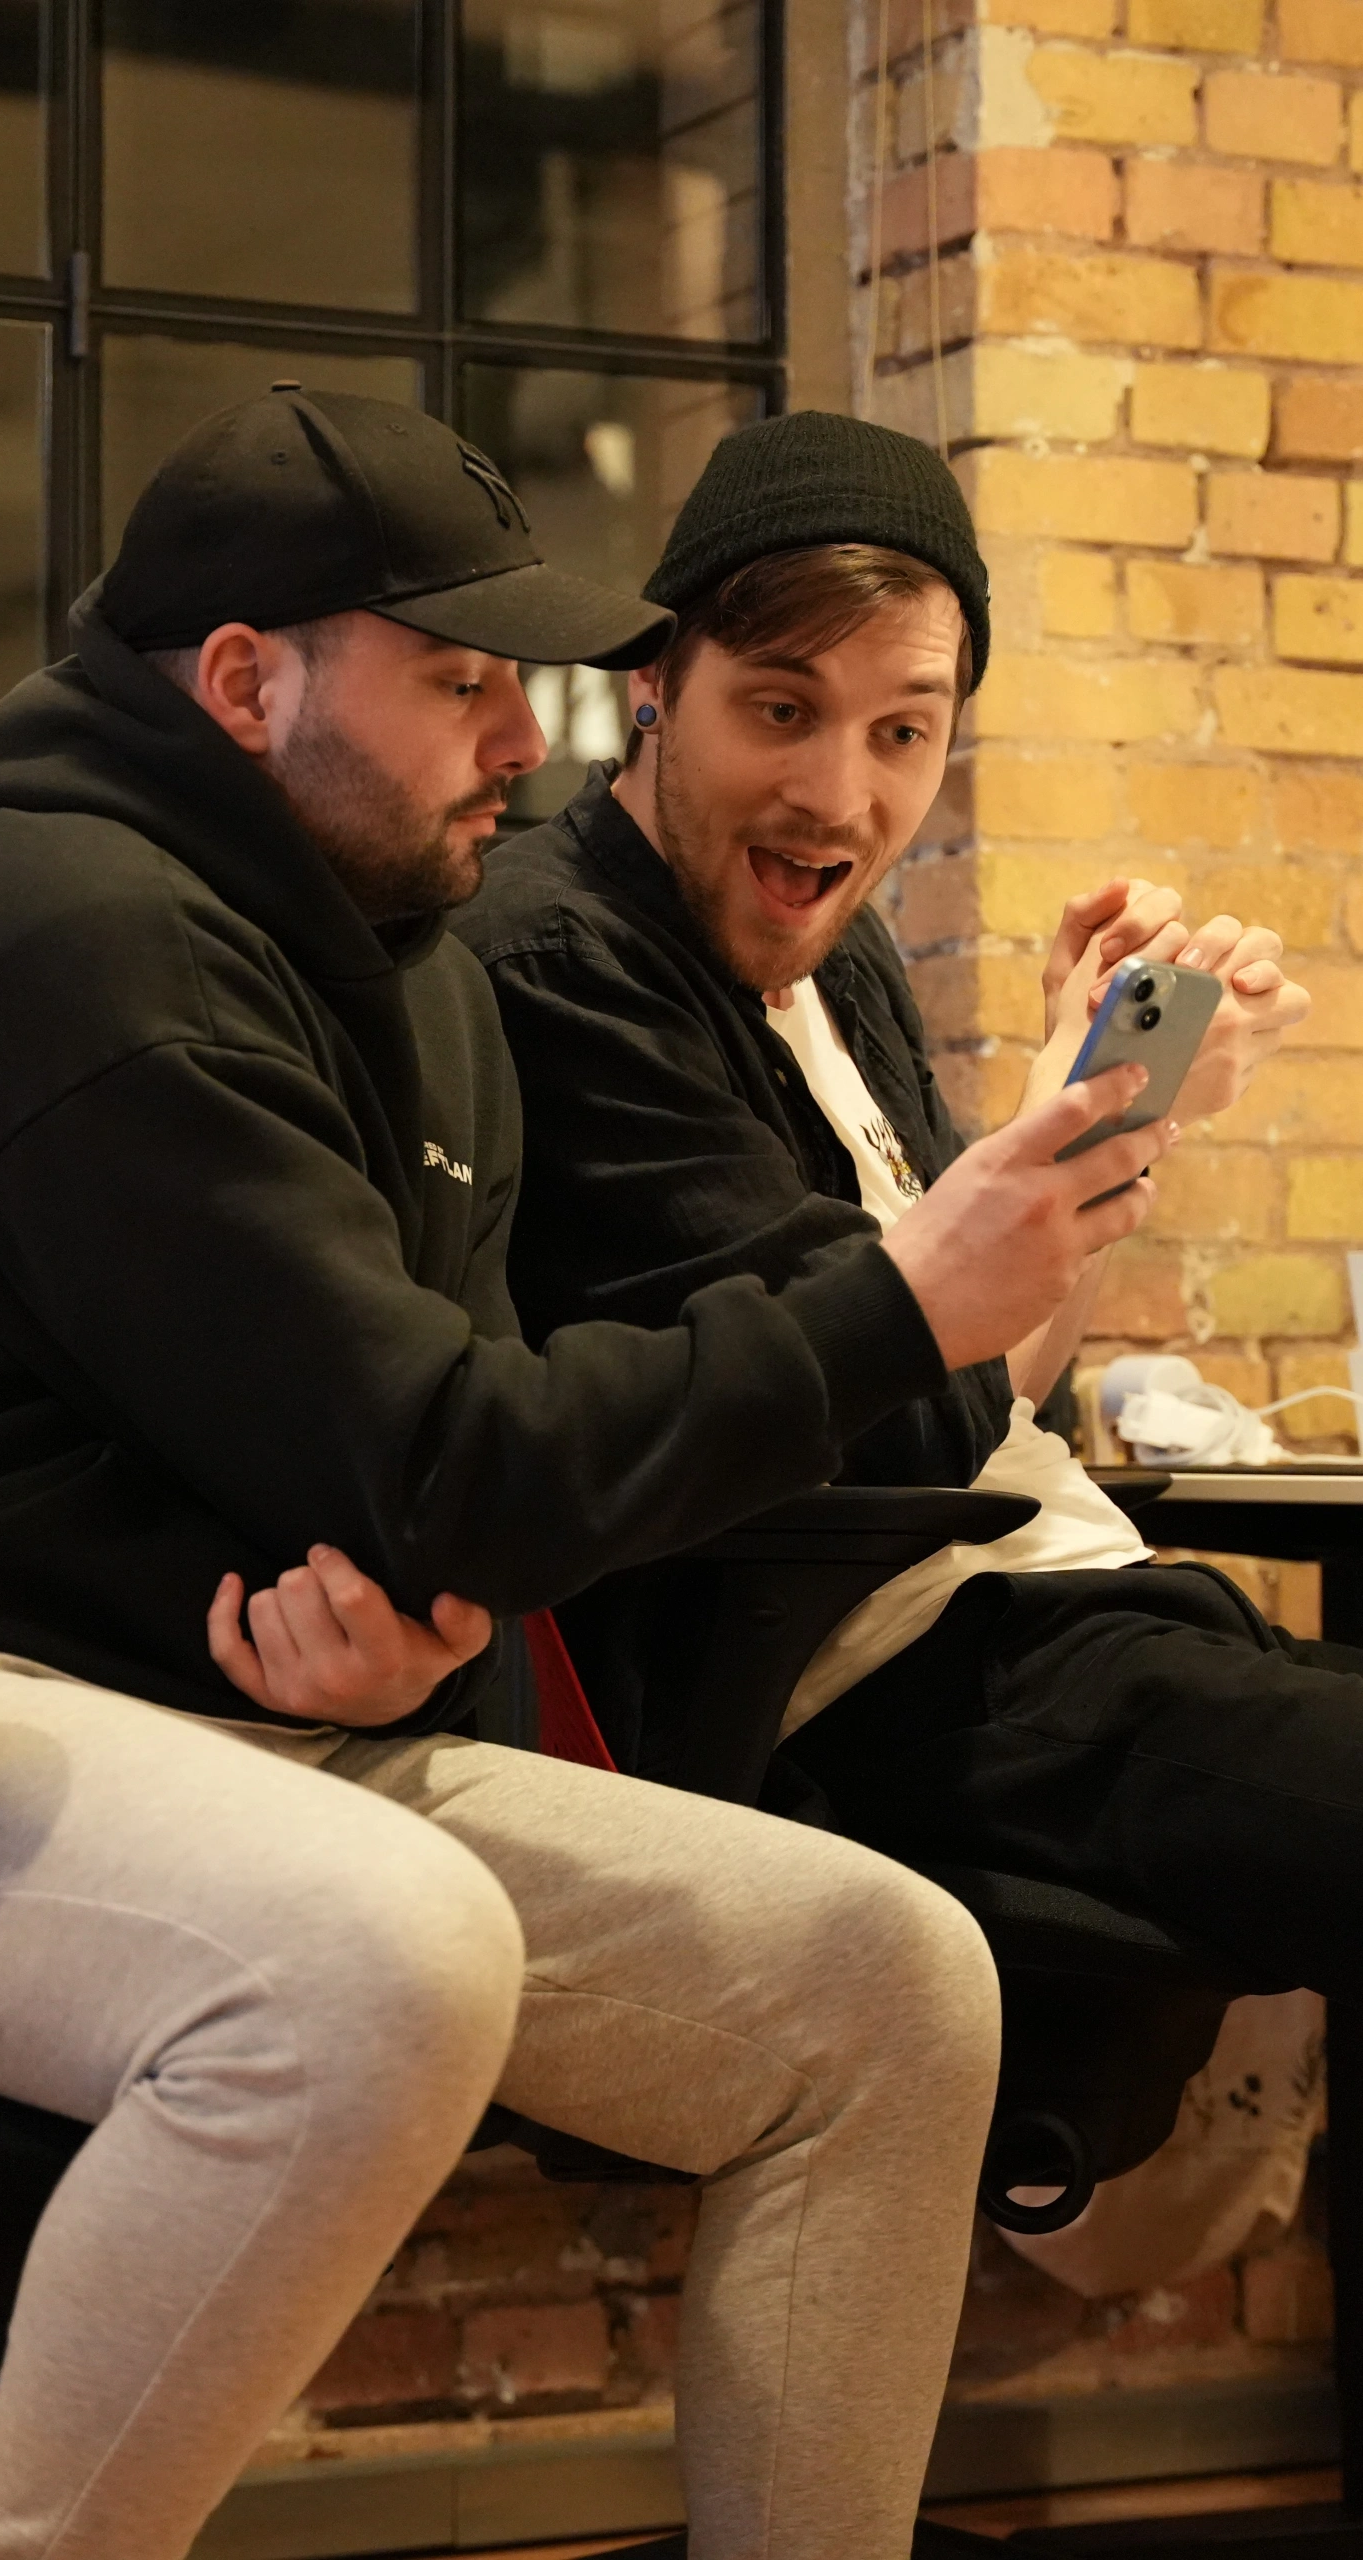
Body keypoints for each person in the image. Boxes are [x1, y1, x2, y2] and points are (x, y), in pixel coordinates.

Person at [0, 390, 1167, 2560]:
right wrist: (899, 1303)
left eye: (529, 677)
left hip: (125, 1702)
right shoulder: (75, 946)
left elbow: (434, 1452)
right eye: (461, 679)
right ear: (244, 679)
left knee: (883, 1975)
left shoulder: (396, 966)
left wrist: (415, 1602)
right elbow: (446, 1454)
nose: (526, 735)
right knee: (379, 1959)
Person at [455, 407, 1350, 2029]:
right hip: (882, 1683)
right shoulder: (563, 963)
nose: (834, 796)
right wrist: (1046, 1145)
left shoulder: (836, 958)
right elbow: (892, 1429)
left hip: (1076, 1602)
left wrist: (1108, 1114)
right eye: (780, 711)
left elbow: (1007, 1382)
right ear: (656, 681)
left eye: (900, 734)